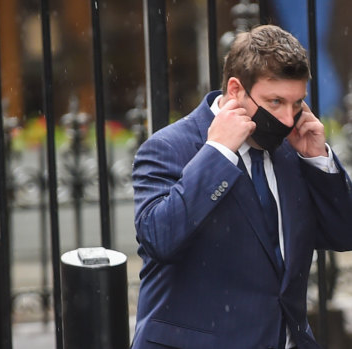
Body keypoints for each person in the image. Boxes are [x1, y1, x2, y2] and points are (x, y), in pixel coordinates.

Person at [131, 25, 352, 349]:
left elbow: (344, 234)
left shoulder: (293, 148)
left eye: (296, 103)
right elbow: (161, 239)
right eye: (275, 101)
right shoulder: (168, 147)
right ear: (235, 89)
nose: (288, 119)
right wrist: (217, 154)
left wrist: (319, 160)